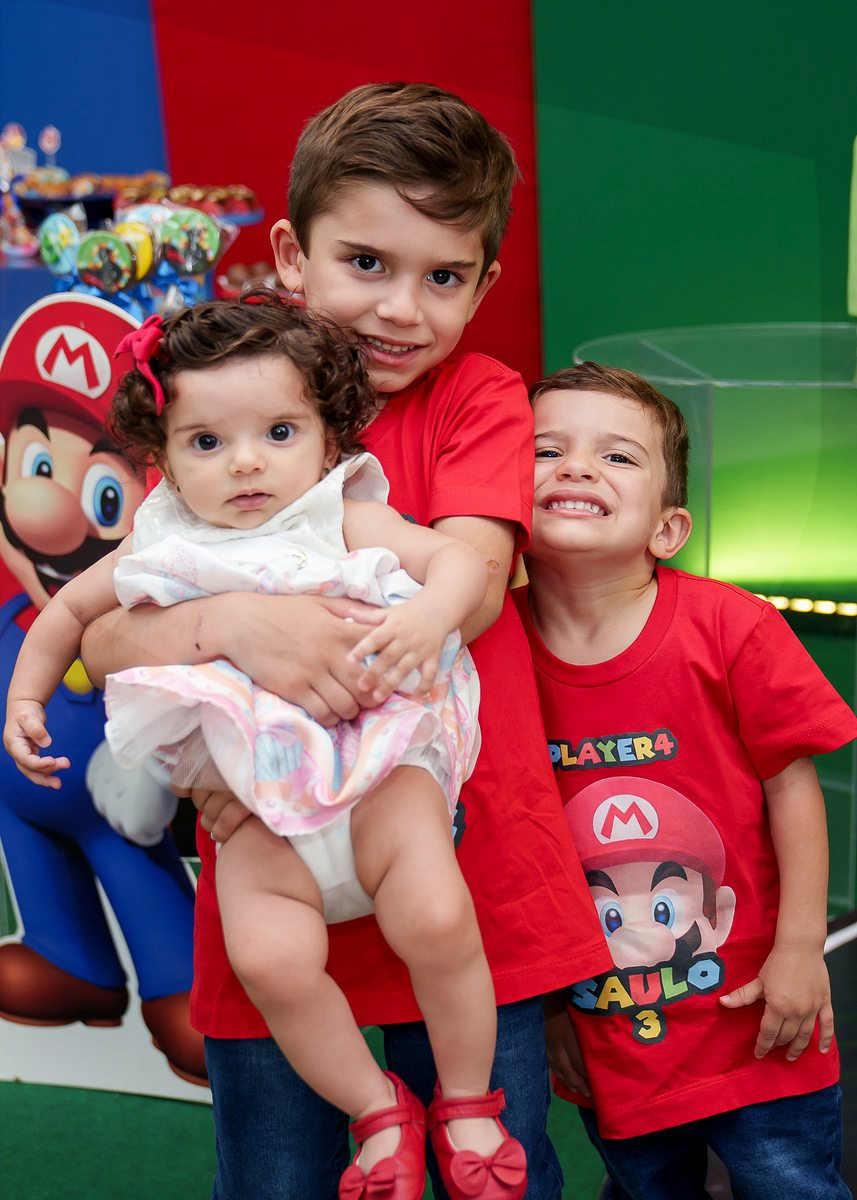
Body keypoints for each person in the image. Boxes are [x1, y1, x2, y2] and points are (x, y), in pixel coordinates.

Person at [76, 84, 612, 1200]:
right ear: (291, 254)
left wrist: (265, 638)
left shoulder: (476, 400)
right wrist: (232, 624)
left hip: (454, 859)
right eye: (365, 262)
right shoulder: (220, 412)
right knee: (278, 1173)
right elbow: (112, 632)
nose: (401, 308)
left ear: (485, 284)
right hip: (272, 856)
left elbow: (468, 587)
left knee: (490, 1167)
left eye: (443, 277)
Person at [4, 291, 531, 1199]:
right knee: (269, 962)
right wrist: (24, 696)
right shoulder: (160, 543)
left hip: (377, 770)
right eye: (207, 442)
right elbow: (70, 615)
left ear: (326, 441)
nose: (246, 462)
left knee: (437, 918)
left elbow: (454, 561)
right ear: (164, 460)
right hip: (254, 807)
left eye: (279, 433)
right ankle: (376, 1110)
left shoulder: (338, 512)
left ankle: (466, 1100)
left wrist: (430, 616)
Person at [515, 360, 857, 1200]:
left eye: (616, 456)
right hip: (609, 1028)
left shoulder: (731, 627)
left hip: (757, 1014)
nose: (576, 467)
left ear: (667, 529)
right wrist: (553, 1009)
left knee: (789, 1184)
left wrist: (797, 951)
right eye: (546, 450)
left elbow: (792, 789)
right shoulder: (492, 651)